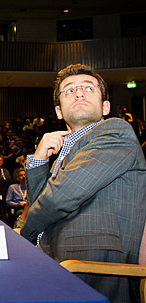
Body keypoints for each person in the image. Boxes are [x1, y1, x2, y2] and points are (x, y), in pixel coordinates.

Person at [20, 64, 146, 303]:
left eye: (89, 88)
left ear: (105, 106)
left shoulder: (115, 132)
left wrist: (21, 239)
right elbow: (41, 202)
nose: (79, 93)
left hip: (94, 262)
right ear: (59, 111)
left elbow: (60, 197)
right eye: (69, 90)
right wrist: (38, 160)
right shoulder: (63, 152)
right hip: (57, 259)